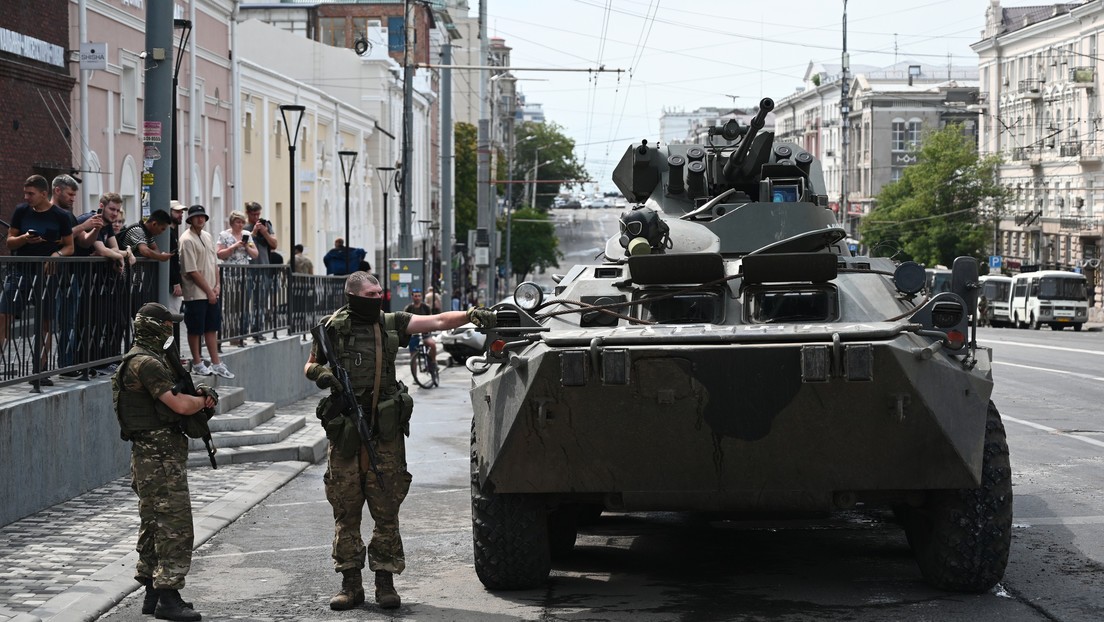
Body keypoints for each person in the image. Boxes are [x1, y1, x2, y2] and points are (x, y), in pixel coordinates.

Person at [303, 271, 495, 611]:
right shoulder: (332, 327)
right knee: (346, 511)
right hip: (346, 434)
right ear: (354, 296)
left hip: (384, 435)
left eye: (380, 292)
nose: (379, 297)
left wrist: (471, 314)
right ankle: (350, 585)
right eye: (372, 293)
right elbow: (310, 364)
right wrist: (321, 373)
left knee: (386, 510)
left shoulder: (390, 323)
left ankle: (385, 582)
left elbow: (435, 320)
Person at [112, 302, 217, 622]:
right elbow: (178, 404)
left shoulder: (141, 358)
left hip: (152, 457)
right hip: (158, 460)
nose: (172, 331)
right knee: (175, 527)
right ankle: (169, 597)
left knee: (154, 524)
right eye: (169, 326)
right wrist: (203, 400)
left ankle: (153, 594)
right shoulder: (147, 362)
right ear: (158, 328)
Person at [2, 175, 75, 386]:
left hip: (47, 275)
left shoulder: (60, 216)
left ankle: (40, 370)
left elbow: (69, 247)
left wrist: (57, 255)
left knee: (46, 322)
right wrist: (24, 238)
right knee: (4, 314)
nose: (27, 197)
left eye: (30, 193)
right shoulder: (21, 211)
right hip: (20, 270)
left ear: (44, 193)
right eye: (25, 193)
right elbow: (9, 241)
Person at [179, 205, 234, 379]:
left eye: (202, 216)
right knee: (195, 329)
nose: (200, 219)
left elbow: (214, 263)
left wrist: (217, 285)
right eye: (196, 217)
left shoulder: (208, 236)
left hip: (211, 291)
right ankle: (197, 362)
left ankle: (216, 363)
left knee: (212, 327)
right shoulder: (186, 239)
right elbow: (192, 270)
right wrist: (209, 291)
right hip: (195, 293)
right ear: (190, 219)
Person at [217, 211, 259, 346]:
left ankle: (240, 335)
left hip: (244, 275)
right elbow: (220, 254)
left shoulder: (247, 235)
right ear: (232, 223)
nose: (240, 225)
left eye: (242, 222)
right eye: (238, 222)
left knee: (242, 306)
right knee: (230, 306)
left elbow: (255, 254)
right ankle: (230, 335)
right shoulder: (224, 235)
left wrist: (247, 246)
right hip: (229, 275)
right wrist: (234, 246)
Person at [244, 201, 277, 341]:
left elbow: (274, 244)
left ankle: (257, 330)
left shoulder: (266, 225)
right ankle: (243, 331)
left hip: (263, 267)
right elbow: (244, 242)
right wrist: (254, 232)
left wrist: (264, 231)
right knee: (246, 300)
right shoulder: (244, 226)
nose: (256, 217)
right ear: (247, 213)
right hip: (248, 269)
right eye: (253, 214)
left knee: (260, 301)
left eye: (258, 214)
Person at [403, 288, 438, 370]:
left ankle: (433, 362)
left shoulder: (426, 307)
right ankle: (415, 378)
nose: (417, 298)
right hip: (413, 334)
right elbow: (404, 322)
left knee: (432, 344)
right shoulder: (408, 308)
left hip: (425, 333)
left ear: (421, 297)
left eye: (419, 296)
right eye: (415, 296)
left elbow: (431, 319)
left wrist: (429, 329)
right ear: (412, 297)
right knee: (413, 356)